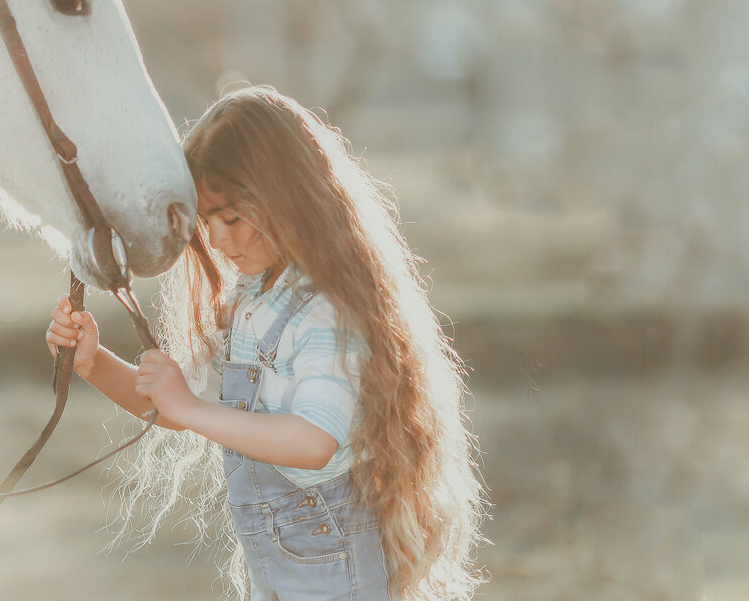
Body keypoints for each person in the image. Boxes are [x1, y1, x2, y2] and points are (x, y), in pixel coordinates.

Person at [46, 86, 483, 600]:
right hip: (280, 575)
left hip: (332, 574)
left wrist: (187, 408)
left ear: (287, 199)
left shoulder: (326, 311)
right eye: (205, 222)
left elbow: (312, 442)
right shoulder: (253, 301)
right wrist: (95, 363)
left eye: (230, 217)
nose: (216, 239)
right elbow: (174, 404)